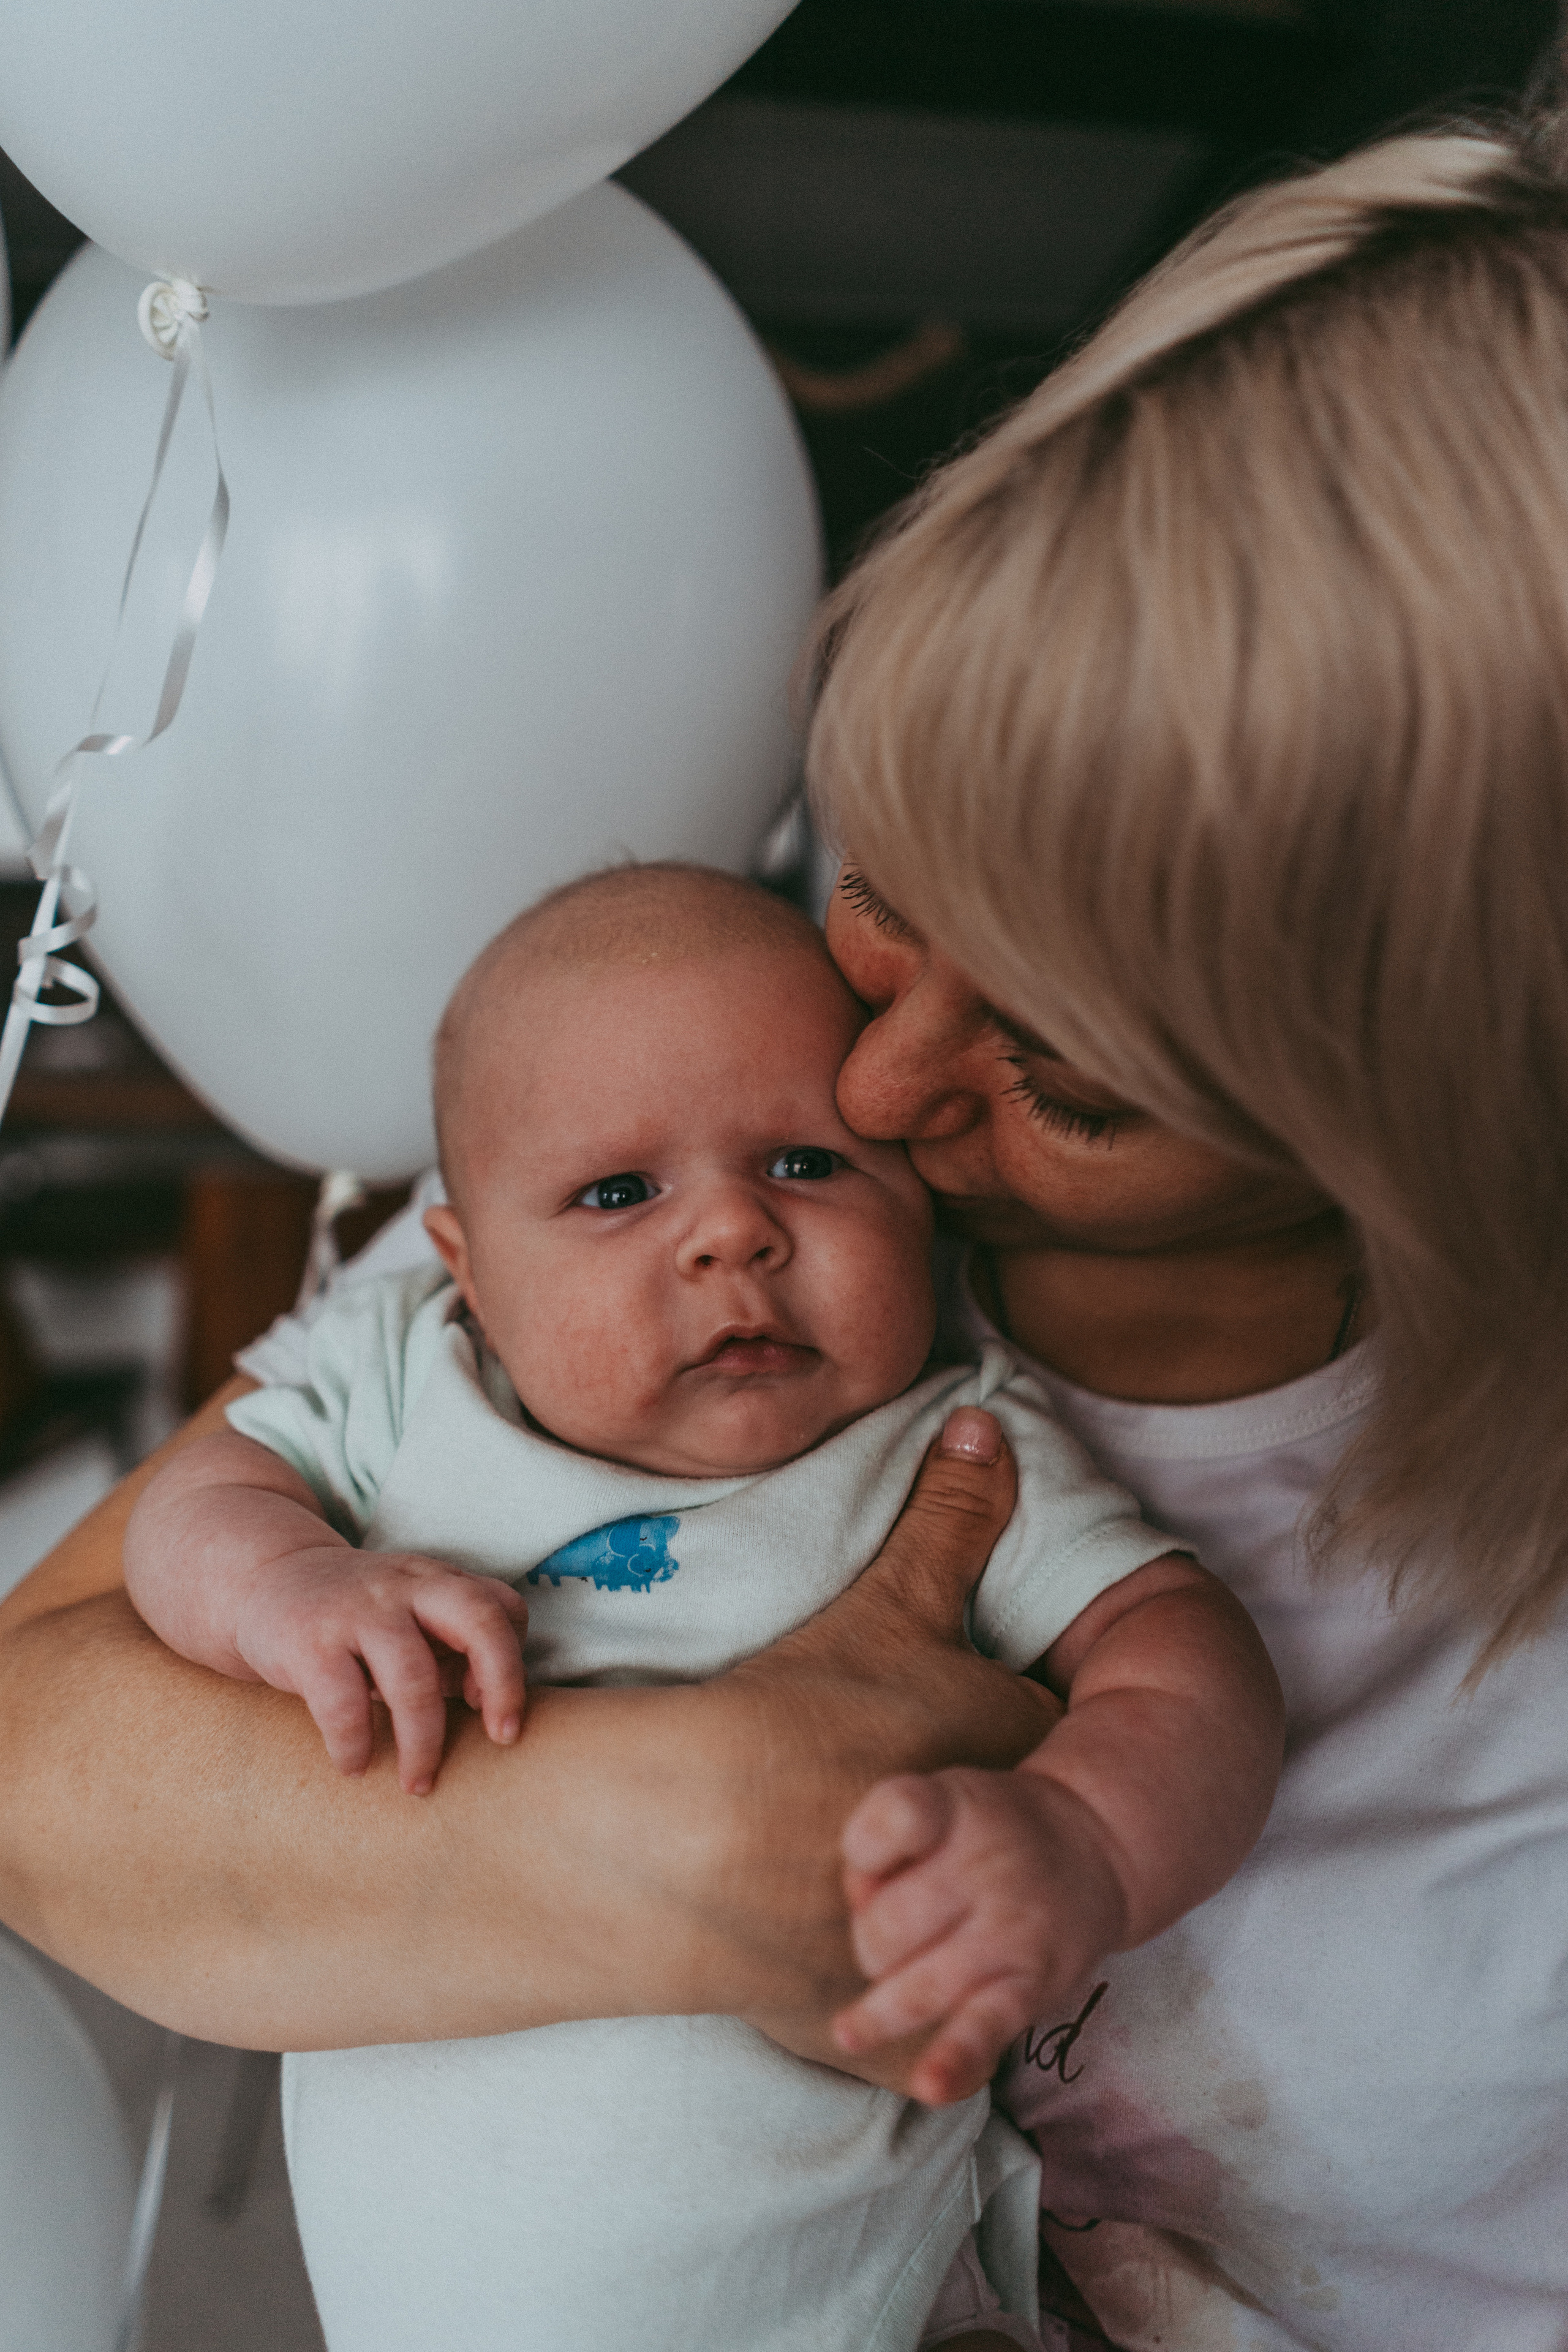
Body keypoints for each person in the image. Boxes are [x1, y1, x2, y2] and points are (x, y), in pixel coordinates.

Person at [4, 97, 1568, 2352]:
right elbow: (46, 1753)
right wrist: (666, 1827)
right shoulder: (659, 1199)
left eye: (1070, 1079)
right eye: (877, 912)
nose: (877, 1094)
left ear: (1414, 1127)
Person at [123, 863, 1281, 2352]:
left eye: (806, 1163)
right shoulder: (407, 1378)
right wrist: (283, 1580)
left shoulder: (945, 1444)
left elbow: (1186, 1662)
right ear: (467, 1269)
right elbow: (193, 1502)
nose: (730, 1234)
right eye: (617, 1193)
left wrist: (1088, 1838)